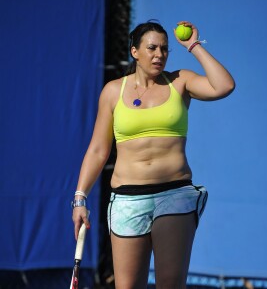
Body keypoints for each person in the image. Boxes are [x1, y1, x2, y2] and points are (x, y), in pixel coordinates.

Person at [72, 20, 235, 289]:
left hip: (174, 195)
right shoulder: (114, 91)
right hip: (127, 200)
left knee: (170, 285)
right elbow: (98, 150)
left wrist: (193, 45)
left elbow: (224, 86)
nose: (159, 54)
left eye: (164, 49)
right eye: (152, 48)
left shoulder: (180, 81)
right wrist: (79, 198)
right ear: (135, 51)